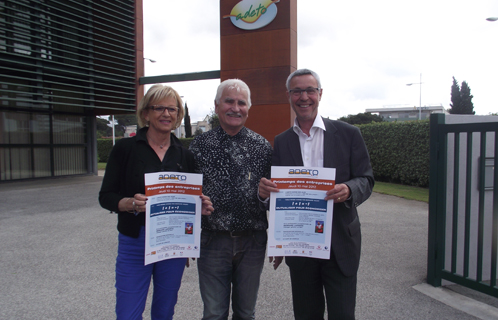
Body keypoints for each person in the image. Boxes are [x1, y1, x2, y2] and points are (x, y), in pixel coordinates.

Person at [259, 69, 374, 320]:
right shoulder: (282, 141)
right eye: (297, 91)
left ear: (320, 94)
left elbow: (366, 179)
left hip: (340, 243)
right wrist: (266, 197)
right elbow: (278, 198)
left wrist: (350, 189)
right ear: (289, 96)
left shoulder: (348, 133)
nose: (304, 97)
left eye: (310, 90)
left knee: (342, 315)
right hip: (301, 248)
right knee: (306, 315)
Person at [99, 84, 214, 320]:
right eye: (159, 108)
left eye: (172, 109)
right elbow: (106, 196)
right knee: (127, 313)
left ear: (178, 115)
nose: (166, 114)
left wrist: (198, 209)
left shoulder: (185, 154)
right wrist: (129, 203)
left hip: (172, 244)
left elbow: (189, 199)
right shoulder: (125, 149)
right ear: (146, 113)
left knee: (164, 312)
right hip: (135, 241)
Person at [189, 79, 273, 320]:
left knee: (246, 313)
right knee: (214, 313)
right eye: (229, 101)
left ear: (248, 108)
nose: (235, 108)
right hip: (212, 241)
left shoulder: (263, 147)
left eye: (241, 103)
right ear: (216, 106)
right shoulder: (199, 146)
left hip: (252, 242)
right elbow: (186, 195)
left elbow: (274, 198)